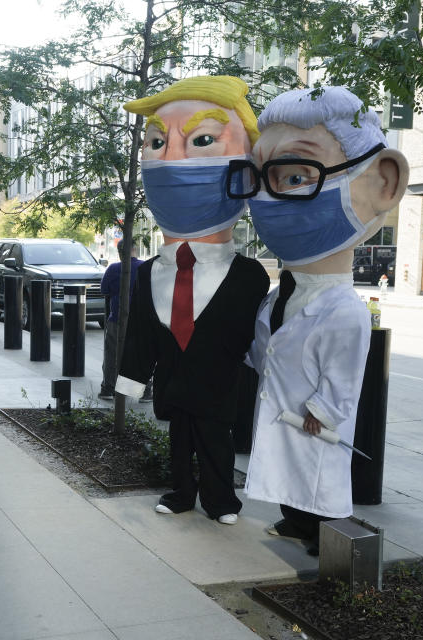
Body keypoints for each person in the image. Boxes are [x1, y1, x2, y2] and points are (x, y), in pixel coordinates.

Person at [230, 86, 408, 555]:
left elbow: (346, 374)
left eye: (292, 176)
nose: (267, 200)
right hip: (282, 407)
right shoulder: (278, 296)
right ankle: (295, 521)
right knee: (289, 474)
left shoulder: (344, 308)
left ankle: (325, 534)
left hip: (311, 417)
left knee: (318, 476)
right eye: (259, 179)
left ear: (381, 183)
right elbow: (262, 347)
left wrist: (323, 412)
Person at [116, 76, 270, 525]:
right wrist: (131, 381)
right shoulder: (149, 272)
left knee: (216, 440)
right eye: (158, 142)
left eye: (203, 139)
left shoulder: (248, 275)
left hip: (219, 383)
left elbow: (255, 337)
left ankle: (222, 500)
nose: (173, 158)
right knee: (178, 439)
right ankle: (181, 491)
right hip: (173, 381)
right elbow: (142, 333)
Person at [98, 241, 150, 402]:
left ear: (120, 252)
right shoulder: (146, 267)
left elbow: (104, 290)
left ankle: (109, 388)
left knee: (112, 354)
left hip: (117, 318)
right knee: (141, 356)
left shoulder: (114, 268)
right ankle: (145, 391)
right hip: (141, 320)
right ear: (135, 249)